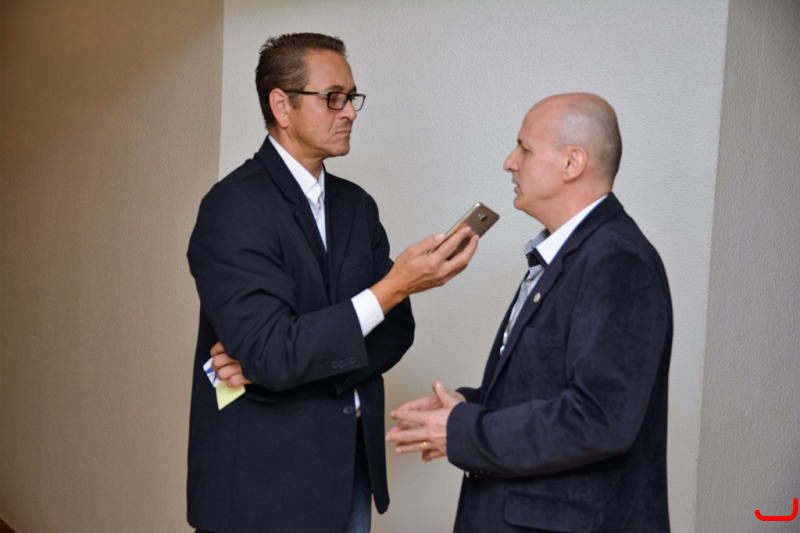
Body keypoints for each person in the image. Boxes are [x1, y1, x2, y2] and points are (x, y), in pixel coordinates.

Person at [186, 32, 478, 533]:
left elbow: (394, 331)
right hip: (261, 486)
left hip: (349, 475)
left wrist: (285, 364)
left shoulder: (357, 206)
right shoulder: (232, 207)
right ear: (282, 106)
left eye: (351, 97)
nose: (350, 113)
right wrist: (391, 288)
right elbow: (272, 351)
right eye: (333, 98)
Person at [386, 93, 673, 532]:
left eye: (525, 148)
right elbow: (550, 389)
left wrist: (464, 431)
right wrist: (468, 407)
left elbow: (600, 419)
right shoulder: (571, 255)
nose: (509, 162)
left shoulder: (617, 261)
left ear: (572, 163)